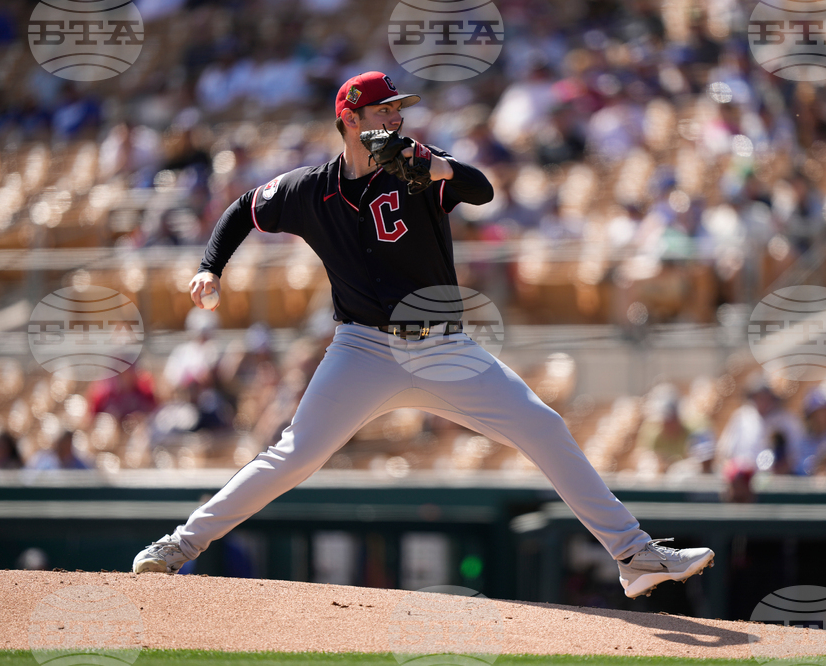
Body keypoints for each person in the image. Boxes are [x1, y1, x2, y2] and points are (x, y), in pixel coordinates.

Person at [132, 71, 714, 599]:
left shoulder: (417, 167)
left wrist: (437, 166)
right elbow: (241, 209)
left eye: (397, 109)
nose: (394, 118)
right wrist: (212, 266)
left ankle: (634, 556)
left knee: (543, 426)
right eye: (382, 110)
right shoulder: (310, 189)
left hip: (442, 346)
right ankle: (180, 546)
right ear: (349, 120)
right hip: (360, 348)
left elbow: (482, 190)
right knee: (292, 455)